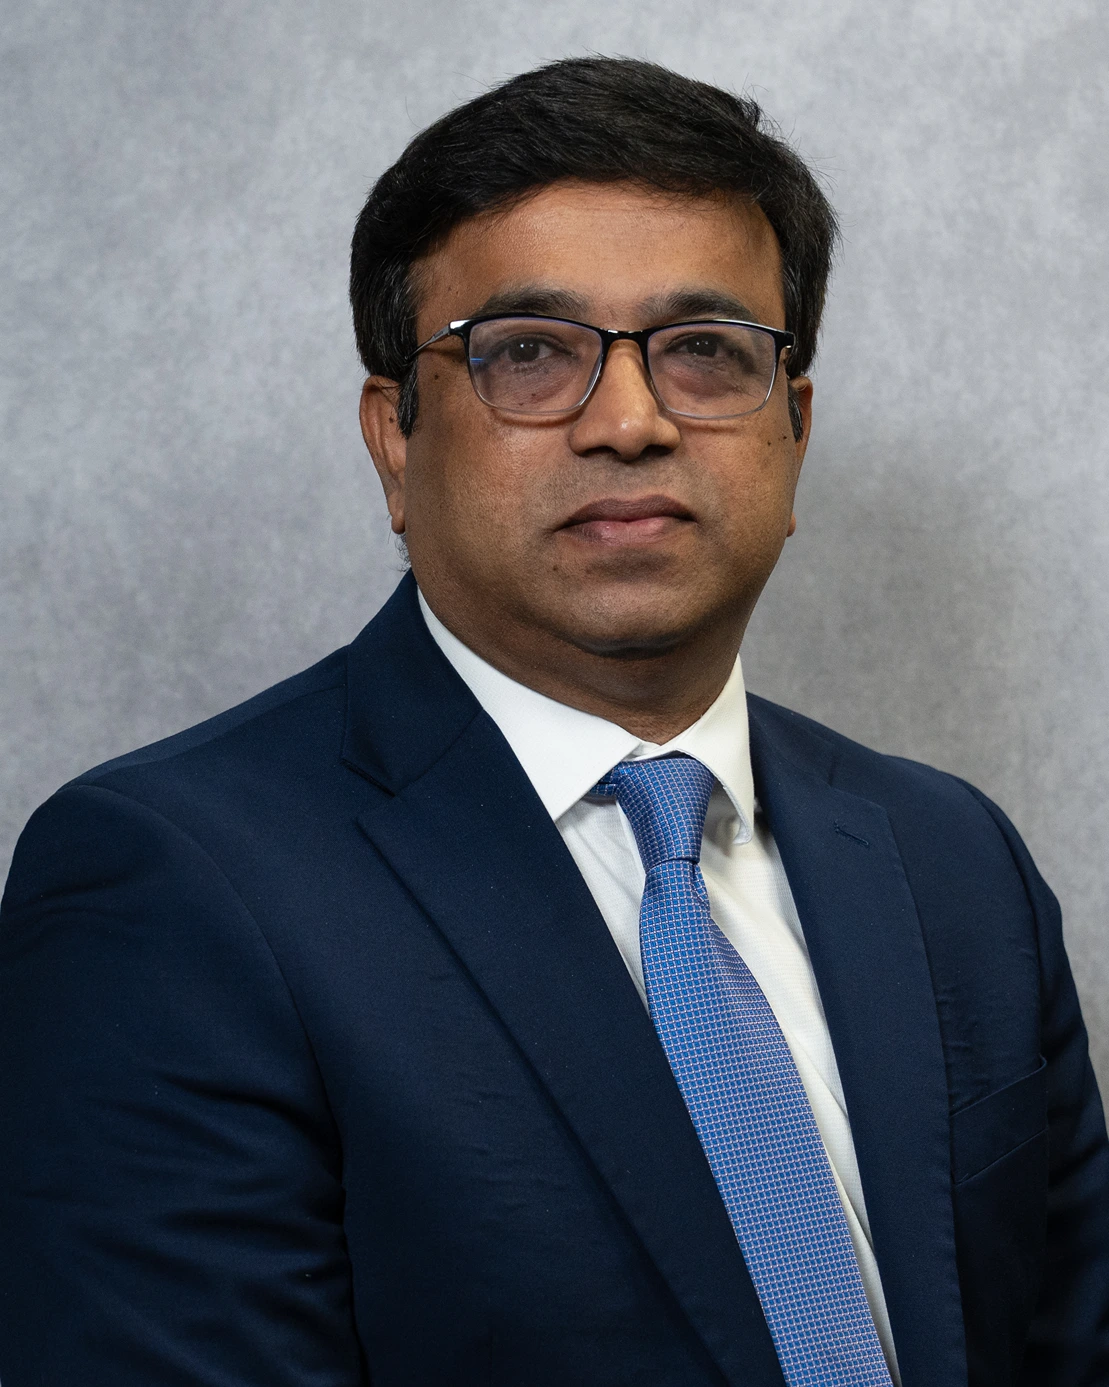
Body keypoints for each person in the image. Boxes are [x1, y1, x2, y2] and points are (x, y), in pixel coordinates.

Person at [1, 55, 1106, 1387]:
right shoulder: (172, 891)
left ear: (794, 431)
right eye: (529, 353)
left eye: (706, 352)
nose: (631, 420)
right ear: (396, 442)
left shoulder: (954, 864)